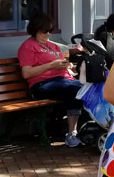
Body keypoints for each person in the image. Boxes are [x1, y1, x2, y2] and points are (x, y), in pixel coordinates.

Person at [17, 12, 83, 147]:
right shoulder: (28, 47)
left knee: (87, 86)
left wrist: (67, 65)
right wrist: (51, 65)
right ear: (35, 30)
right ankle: (72, 133)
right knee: (73, 89)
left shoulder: (53, 46)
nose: (47, 34)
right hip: (42, 84)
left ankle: (92, 126)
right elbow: (26, 73)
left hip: (63, 79)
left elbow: (60, 63)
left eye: (50, 31)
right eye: (44, 31)